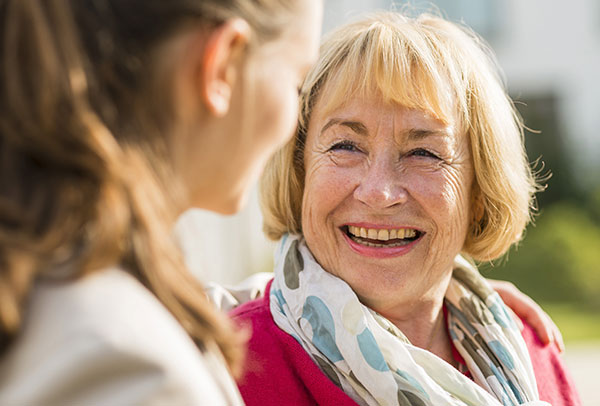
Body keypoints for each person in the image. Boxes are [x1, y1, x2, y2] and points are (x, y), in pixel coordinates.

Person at [231, 11, 581, 406]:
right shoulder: (229, 369)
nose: (379, 192)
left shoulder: (532, 353)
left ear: (479, 190)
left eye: (423, 152)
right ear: (300, 173)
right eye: (345, 146)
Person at [0, 0, 321, 404]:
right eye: (297, 83)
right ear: (224, 62)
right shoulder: (129, 368)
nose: (293, 121)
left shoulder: (47, 281)